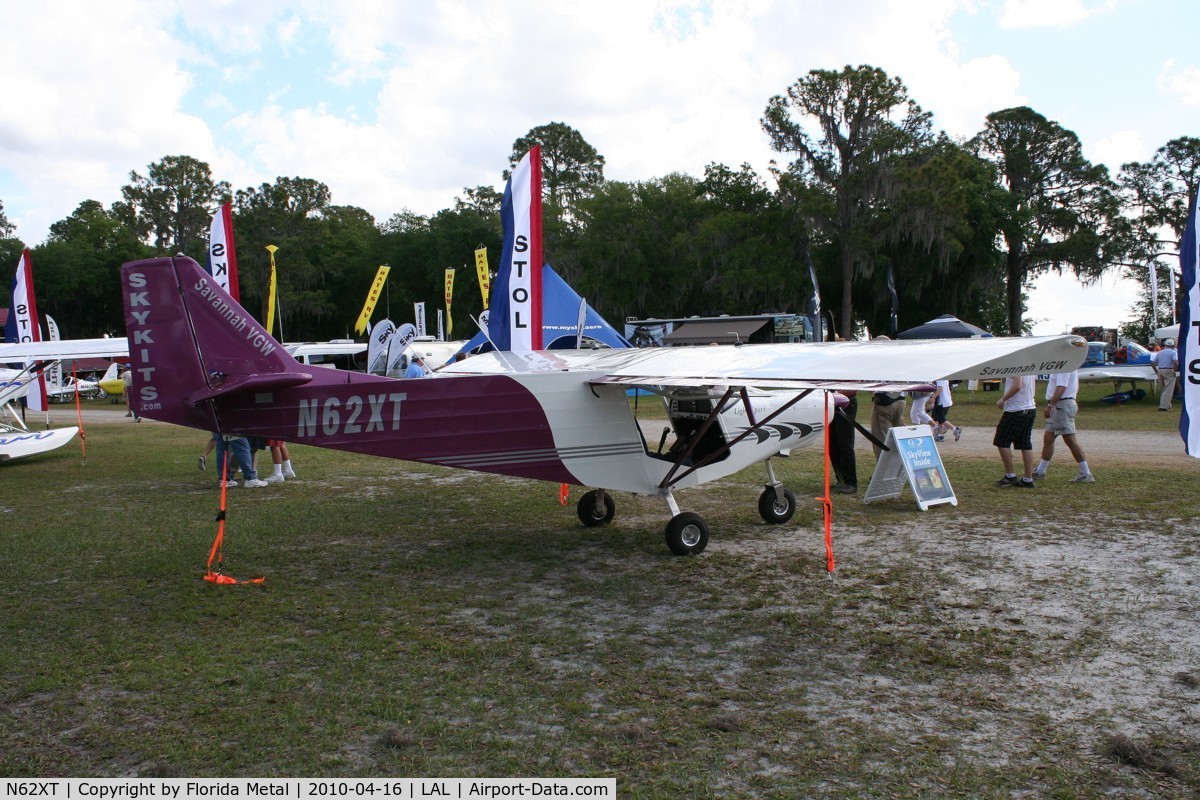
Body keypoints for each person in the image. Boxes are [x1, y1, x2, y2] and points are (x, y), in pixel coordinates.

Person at [1033, 369, 1093, 483]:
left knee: (1069, 439)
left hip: (1062, 405)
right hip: (1059, 405)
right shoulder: (1064, 365)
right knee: (1048, 438)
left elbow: (1061, 386)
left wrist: (1050, 405)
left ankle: (1086, 473)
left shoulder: (1065, 367)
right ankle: (1040, 471)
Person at [992, 373, 1037, 488]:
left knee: (1001, 441)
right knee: (1025, 443)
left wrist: (1002, 400)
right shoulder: (1030, 365)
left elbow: (1018, 385)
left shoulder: (1016, 364)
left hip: (1016, 409)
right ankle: (1028, 478)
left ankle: (1010, 475)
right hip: (1030, 407)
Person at [829, 390, 858, 494]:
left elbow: (854, 389)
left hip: (847, 403)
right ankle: (841, 479)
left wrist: (835, 392)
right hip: (831, 404)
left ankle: (851, 483)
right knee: (832, 445)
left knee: (845, 445)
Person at [870, 390, 905, 458]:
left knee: (882, 442)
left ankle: (884, 466)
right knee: (897, 440)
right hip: (900, 400)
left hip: (884, 401)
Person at [1153, 338, 1179, 411]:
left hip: (1160, 370)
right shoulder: (1173, 352)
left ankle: (1167, 405)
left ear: (1165, 345)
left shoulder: (1160, 352)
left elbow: (1152, 363)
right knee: (1169, 389)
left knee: (1163, 389)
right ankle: (1163, 406)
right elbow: (1175, 362)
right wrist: (1175, 370)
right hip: (1169, 369)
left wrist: (1156, 371)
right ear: (1173, 346)